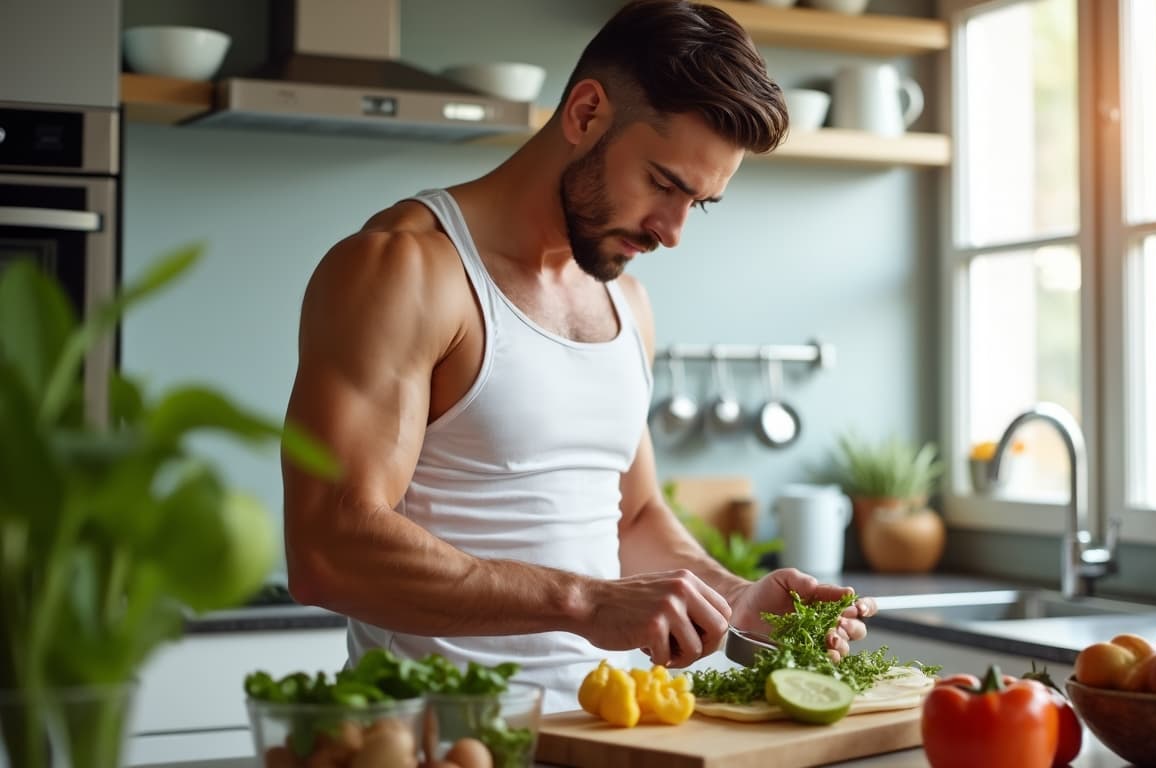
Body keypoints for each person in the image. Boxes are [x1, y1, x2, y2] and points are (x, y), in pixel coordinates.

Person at [281, 0, 878, 713]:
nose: (674, 231)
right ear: (586, 113)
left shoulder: (627, 306)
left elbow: (633, 521)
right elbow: (326, 551)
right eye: (664, 183)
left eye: (701, 203)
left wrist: (734, 597)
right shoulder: (406, 269)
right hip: (447, 743)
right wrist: (583, 602)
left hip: (603, 738)